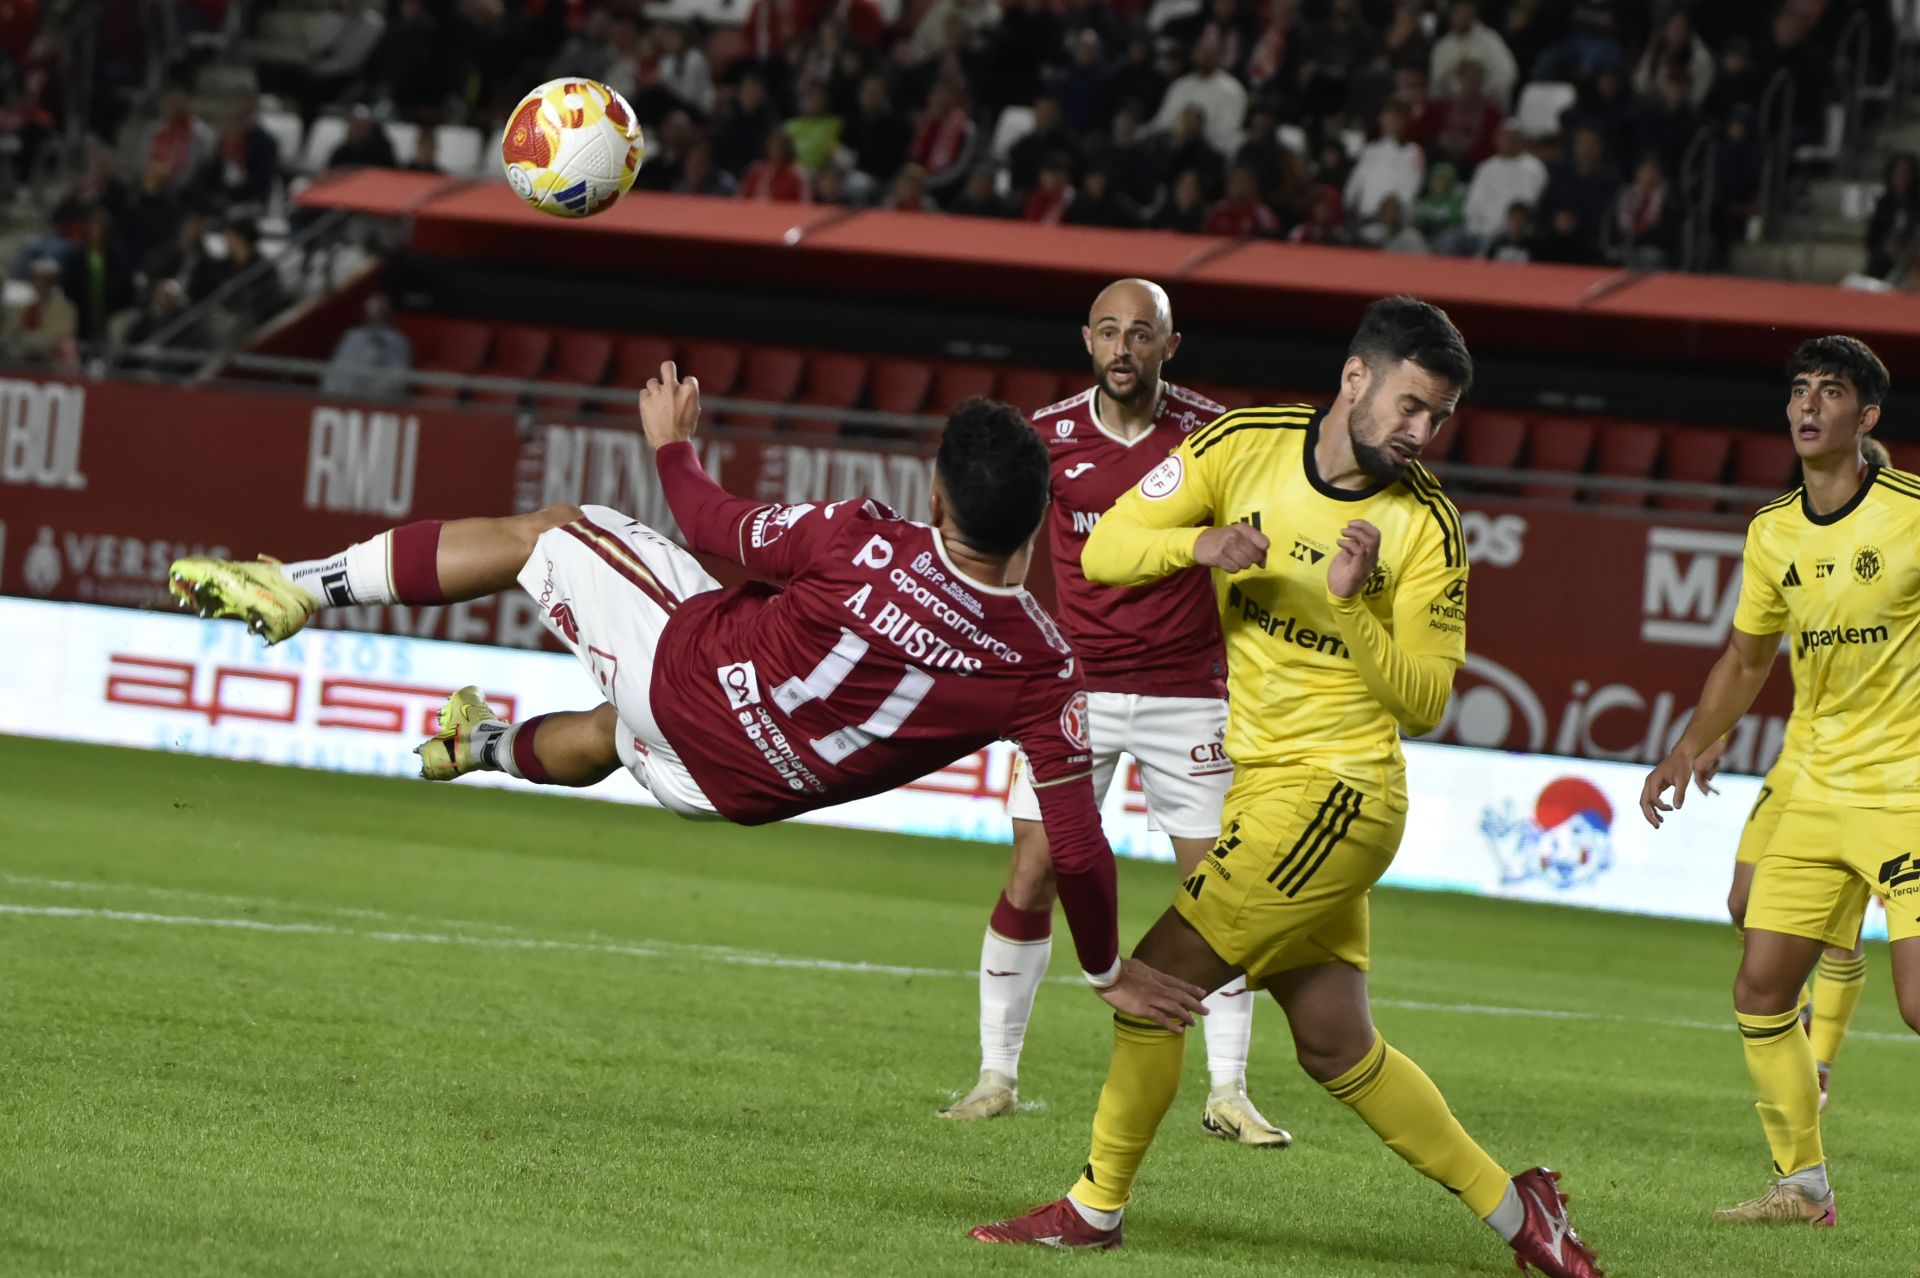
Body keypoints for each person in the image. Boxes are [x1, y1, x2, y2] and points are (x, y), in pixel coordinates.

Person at [168, 377, 1209, 1034]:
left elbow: (708, 519)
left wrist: (672, 440)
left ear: (936, 498)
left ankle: (304, 585)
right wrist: (1107, 967)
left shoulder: (863, 537)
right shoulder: (1043, 664)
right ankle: (479, 743)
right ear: (1042, 522)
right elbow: (1077, 845)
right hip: (726, 792)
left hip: (685, 676)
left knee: (555, 529)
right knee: (619, 740)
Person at [970, 297, 1601, 1278]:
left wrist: (1351, 611)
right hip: (1266, 790)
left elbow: (1427, 700)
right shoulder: (1242, 445)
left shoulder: (1424, 523)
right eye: (1409, 405)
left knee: (1153, 985)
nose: (1420, 433)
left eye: (1437, 418)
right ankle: (1523, 1215)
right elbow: (1104, 550)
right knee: (1336, 1044)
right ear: (1356, 378)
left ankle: (1093, 1210)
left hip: (1340, 794)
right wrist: (1200, 547)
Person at [940, 280, 1288, 1148]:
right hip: (1075, 689)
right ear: (1086, 341)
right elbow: (998, 547)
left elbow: (1257, 545)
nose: (1123, 347)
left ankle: (1231, 1091)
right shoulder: (1046, 438)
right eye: (1108, 332)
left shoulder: (1215, 436)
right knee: (1033, 870)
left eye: (1142, 333)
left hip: (1187, 693)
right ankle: (995, 1076)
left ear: (1171, 345)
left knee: (1218, 892)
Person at [1640, 337, 1920, 1226]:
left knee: (1919, 1005)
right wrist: (1690, 743)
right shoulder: (1773, 532)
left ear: (1865, 418)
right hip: (1815, 791)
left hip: (1909, 793)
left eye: (1830, 393)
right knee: (1761, 985)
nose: (1807, 405)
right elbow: (1745, 656)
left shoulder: (1915, 513)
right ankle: (1802, 1186)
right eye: (1799, 390)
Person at [1689, 439, 1891, 1115]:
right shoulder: (1797, 549)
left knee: (1840, 929)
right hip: (1799, 757)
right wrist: (1711, 735)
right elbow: (1753, 660)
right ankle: (1798, 1030)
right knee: (1744, 904)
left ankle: (1819, 1059)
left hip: (1882, 773)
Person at [321, 293, 414, 401]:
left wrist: (368, 394)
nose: (374, 314)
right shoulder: (351, 336)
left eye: (379, 310)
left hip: (378, 403)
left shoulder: (398, 342)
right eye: (370, 310)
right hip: (343, 400)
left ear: (388, 312)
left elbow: (397, 381)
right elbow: (335, 372)